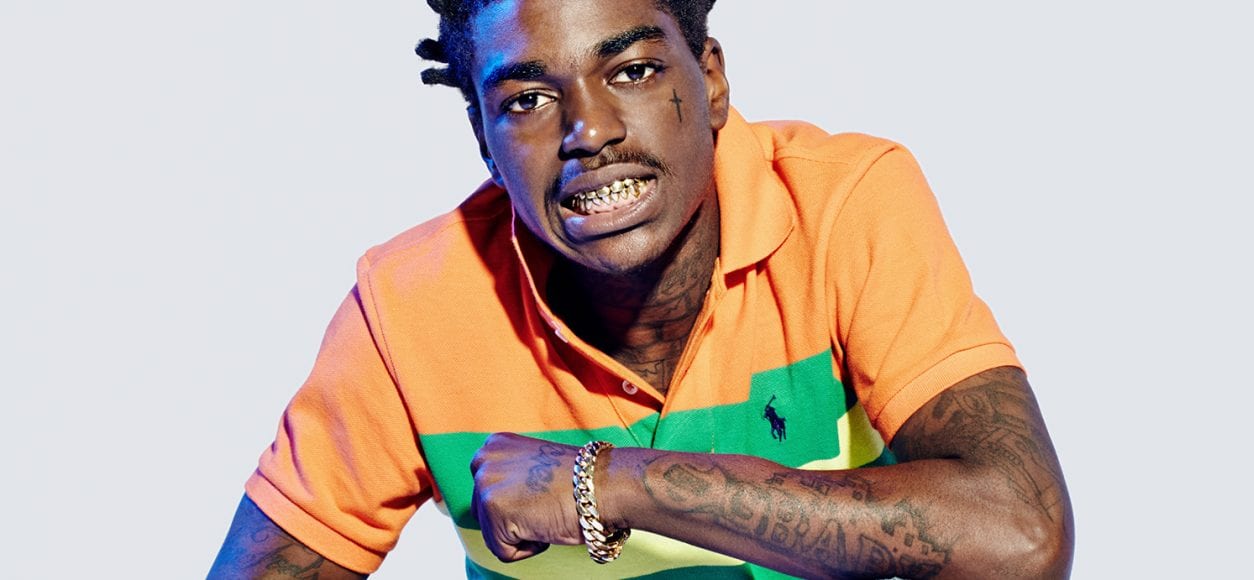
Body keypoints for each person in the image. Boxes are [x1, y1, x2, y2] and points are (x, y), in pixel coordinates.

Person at [210, 0, 1074, 578]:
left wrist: (611, 483)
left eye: (632, 71)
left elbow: (1020, 535)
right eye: (528, 100)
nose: (590, 131)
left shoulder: (843, 207)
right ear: (481, 137)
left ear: (712, 80)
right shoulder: (409, 308)